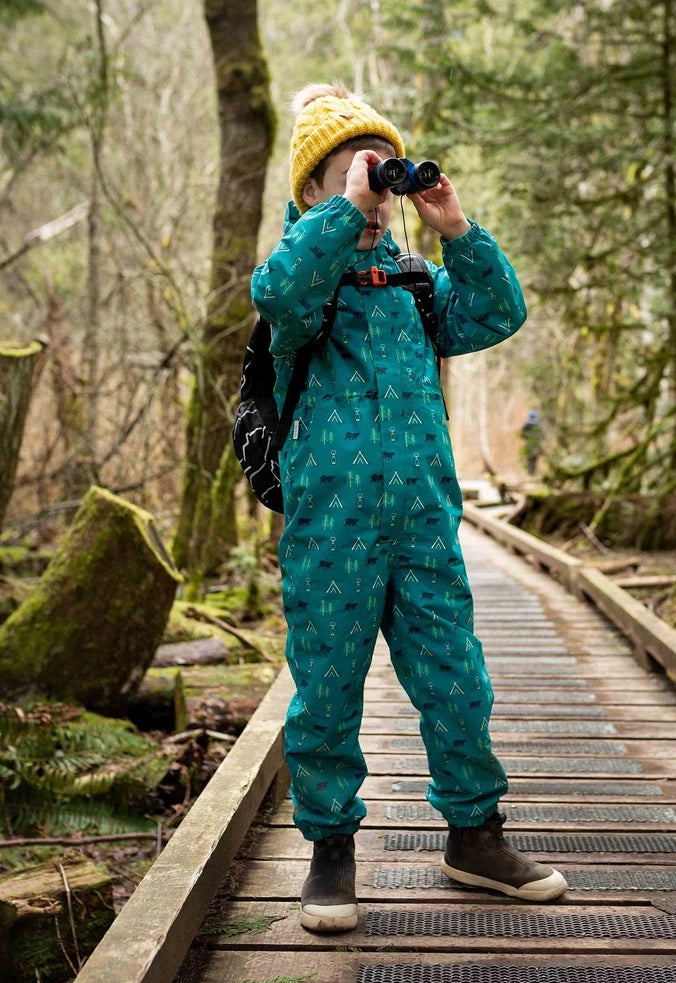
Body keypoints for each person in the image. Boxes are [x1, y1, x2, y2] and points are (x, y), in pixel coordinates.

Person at [251, 82, 567, 933]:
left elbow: (499, 311)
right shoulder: (302, 287)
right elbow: (276, 291)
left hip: (424, 521)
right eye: (351, 177)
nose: (372, 195)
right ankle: (330, 849)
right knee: (326, 691)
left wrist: (455, 228)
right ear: (310, 193)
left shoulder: (416, 284)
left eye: (379, 177)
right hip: (330, 528)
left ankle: (475, 835)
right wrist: (338, 215)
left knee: (456, 678)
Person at [520, 410, 544, 475]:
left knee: (530, 459)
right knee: (534, 459)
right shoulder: (538, 424)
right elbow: (542, 435)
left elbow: (522, 435)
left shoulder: (527, 425)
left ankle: (531, 473)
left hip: (529, 445)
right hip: (536, 445)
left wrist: (527, 437)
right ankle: (533, 473)